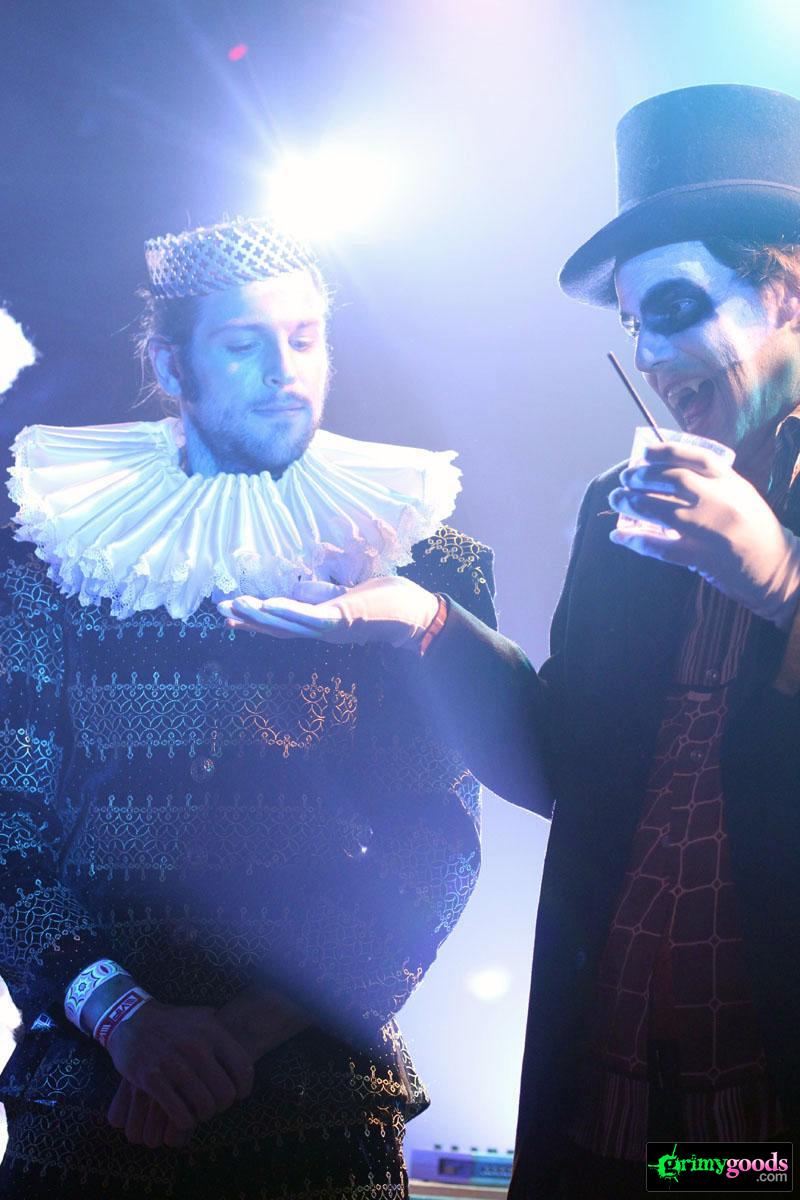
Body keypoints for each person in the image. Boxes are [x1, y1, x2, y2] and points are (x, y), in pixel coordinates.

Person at [221, 86, 800, 1198]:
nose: (652, 353)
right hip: (613, 1112)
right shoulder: (622, 508)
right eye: (631, 324)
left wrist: (776, 578)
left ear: (786, 288)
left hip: (762, 1140)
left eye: (677, 306)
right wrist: (421, 622)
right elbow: (563, 769)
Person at [0, 217, 496, 1197]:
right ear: (169, 364)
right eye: (243, 343)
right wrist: (125, 1017)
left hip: (318, 1101)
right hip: (88, 1097)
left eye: (305, 338)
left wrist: (232, 1037)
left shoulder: (416, 559)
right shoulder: (50, 557)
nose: (284, 370)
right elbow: (9, 822)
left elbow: (434, 839)